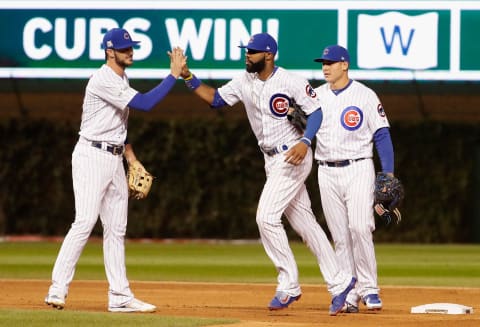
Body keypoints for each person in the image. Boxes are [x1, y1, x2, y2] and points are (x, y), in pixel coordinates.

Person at [179, 33, 356, 315]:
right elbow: (215, 99)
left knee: (266, 217)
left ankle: (288, 284)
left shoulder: (291, 81)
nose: (246, 55)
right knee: (307, 225)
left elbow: (317, 112)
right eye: (246, 51)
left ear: (269, 55)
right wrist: (187, 77)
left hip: (293, 155)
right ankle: (341, 282)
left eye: (252, 52)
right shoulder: (243, 81)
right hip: (271, 159)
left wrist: (305, 140)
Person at [44, 28, 185, 312]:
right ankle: (57, 289)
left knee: (116, 229)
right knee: (84, 222)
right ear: (110, 52)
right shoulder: (103, 79)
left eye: (131, 47)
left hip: (114, 157)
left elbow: (119, 122)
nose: (130, 52)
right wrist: (173, 74)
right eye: (124, 49)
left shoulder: (121, 77)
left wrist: (131, 158)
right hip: (92, 155)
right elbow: (145, 104)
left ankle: (120, 296)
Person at [312, 45, 397, 312]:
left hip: (359, 167)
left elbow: (382, 134)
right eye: (323, 63)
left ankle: (369, 289)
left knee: (360, 227)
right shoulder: (315, 95)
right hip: (325, 170)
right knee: (340, 235)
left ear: (345, 65)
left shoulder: (365, 95)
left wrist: (388, 173)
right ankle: (348, 292)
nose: (325, 67)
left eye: (331, 62)